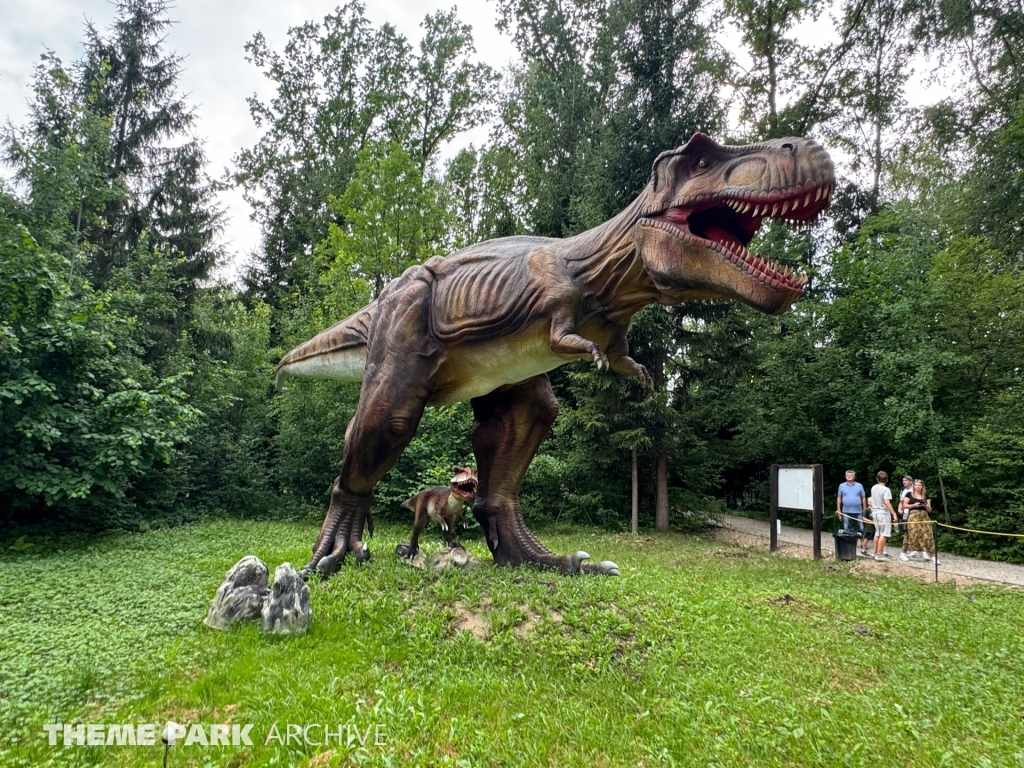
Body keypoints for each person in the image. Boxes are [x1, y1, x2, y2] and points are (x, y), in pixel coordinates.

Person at [899, 479, 939, 564]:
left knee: (928, 534)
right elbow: (904, 505)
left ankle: (933, 556)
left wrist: (926, 506)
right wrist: (913, 505)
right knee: (911, 534)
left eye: (919, 485)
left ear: (922, 486)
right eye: (916, 485)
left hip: (924, 516)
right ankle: (903, 553)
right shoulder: (909, 494)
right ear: (913, 486)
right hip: (913, 516)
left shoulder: (925, 496)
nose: (918, 487)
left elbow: (929, 510)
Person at [869, 471, 897, 561]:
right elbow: (887, 502)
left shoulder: (873, 487)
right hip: (883, 513)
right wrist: (894, 514)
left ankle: (875, 552)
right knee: (884, 534)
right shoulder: (886, 490)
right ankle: (879, 554)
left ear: (877, 479)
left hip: (875, 512)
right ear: (887, 480)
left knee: (877, 533)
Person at [836, 470, 867, 551]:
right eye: (847, 475)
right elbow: (839, 497)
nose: (849, 476)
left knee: (861, 528)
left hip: (858, 510)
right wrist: (838, 509)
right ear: (845, 476)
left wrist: (865, 509)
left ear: (854, 477)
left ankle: (862, 543)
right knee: (846, 528)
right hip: (846, 511)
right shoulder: (841, 486)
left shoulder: (859, 485)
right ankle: (847, 543)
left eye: (851, 475)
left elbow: (863, 497)